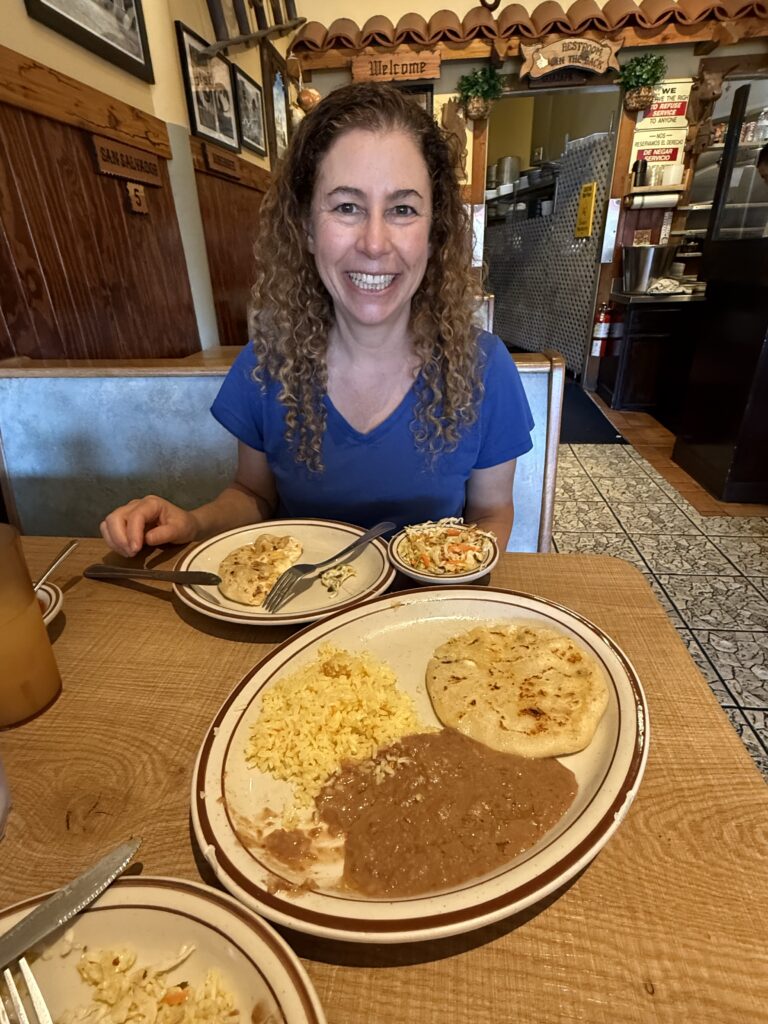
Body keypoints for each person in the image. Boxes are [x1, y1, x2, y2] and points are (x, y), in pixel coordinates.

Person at [101, 82, 534, 558]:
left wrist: (454, 570)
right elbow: (253, 495)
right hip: (297, 600)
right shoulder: (267, 365)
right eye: (347, 207)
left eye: (402, 209)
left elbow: (491, 512)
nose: (374, 243)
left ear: (434, 233)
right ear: (307, 227)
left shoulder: (483, 367)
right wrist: (192, 522)